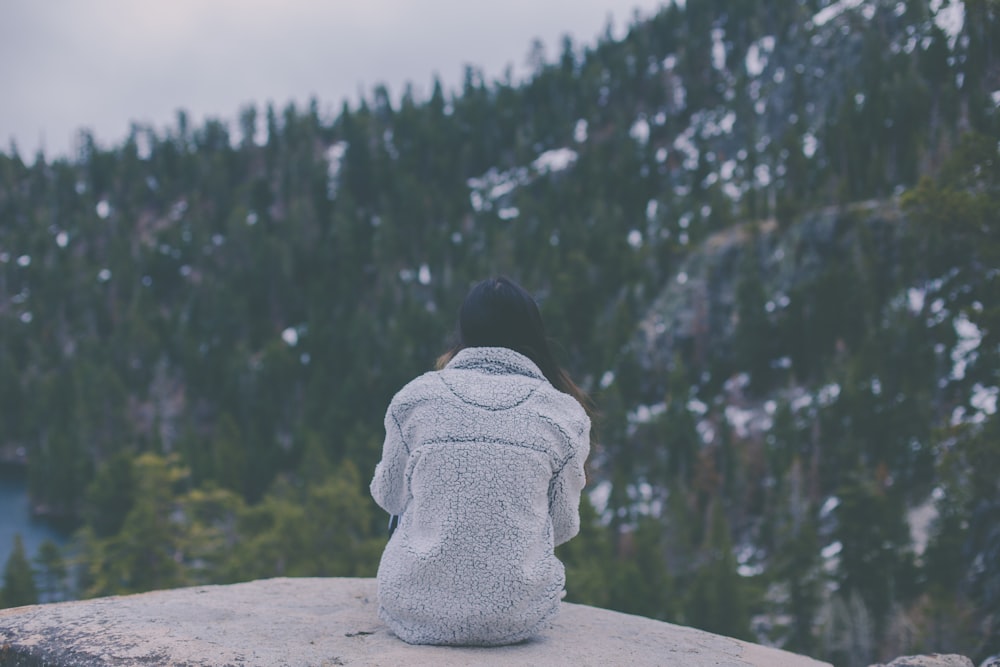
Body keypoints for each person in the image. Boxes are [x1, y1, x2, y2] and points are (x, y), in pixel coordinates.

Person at [370, 276, 593, 646]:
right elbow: (564, 525)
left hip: (412, 609)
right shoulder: (564, 414)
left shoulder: (415, 398)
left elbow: (388, 498)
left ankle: (427, 579)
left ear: (464, 332)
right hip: (518, 617)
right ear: (533, 334)